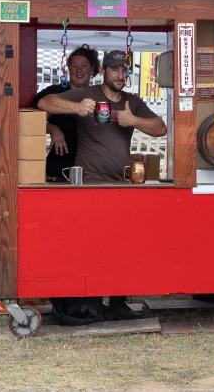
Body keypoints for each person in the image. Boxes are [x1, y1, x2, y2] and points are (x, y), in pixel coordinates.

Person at [38, 48, 167, 320]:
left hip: (123, 183)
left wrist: (134, 121)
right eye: (115, 69)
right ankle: (92, 302)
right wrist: (76, 108)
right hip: (91, 184)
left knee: (122, 246)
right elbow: (44, 103)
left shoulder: (132, 101)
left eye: (124, 71)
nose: (120, 75)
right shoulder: (89, 94)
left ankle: (119, 301)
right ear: (104, 71)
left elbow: (161, 128)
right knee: (92, 245)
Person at [31, 45, 99, 182]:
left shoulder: (100, 95)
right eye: (74, 65)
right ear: (68, 67)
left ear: (93, 68)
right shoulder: (54, 92)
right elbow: (30, 122)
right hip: (58, 169)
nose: (78, 70)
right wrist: (53, 129)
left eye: (84, 65)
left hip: (93, 171)